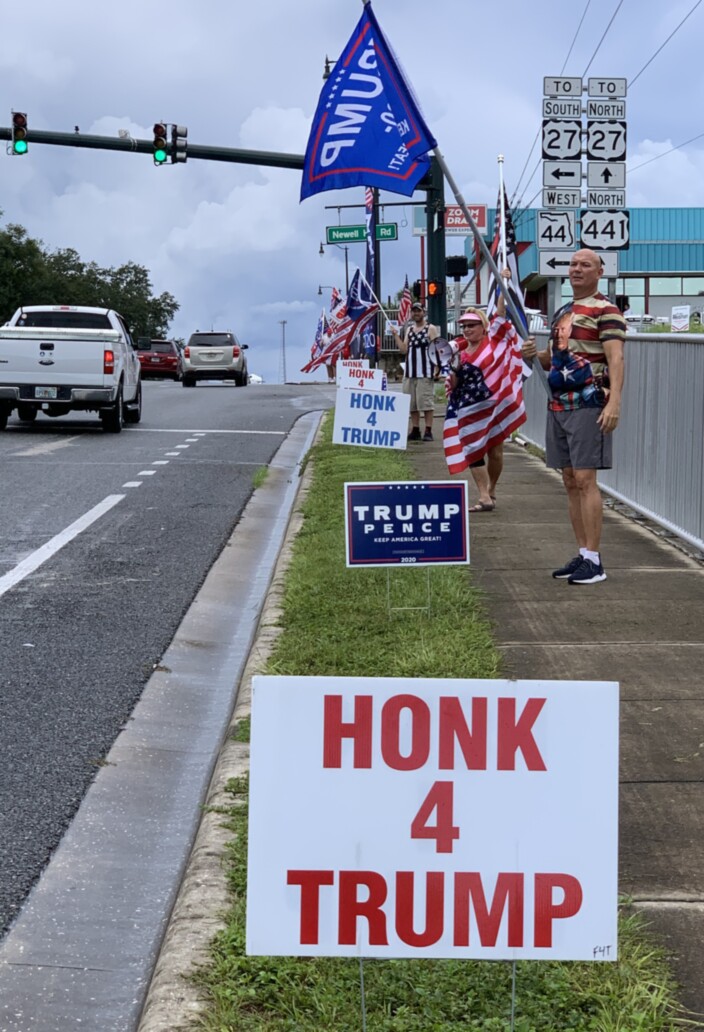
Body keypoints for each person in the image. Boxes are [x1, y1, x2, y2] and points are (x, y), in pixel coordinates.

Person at [522, 248, 626, 585]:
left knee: (585, 480)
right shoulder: (563, 312)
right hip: (559, 403)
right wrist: (533, 354)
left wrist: (614, 403)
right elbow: (555, 359)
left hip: (590, 403)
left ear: (599, 272)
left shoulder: (606, 311)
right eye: (573, 264)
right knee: (568, 480)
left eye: (586, 265)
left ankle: (595, 561)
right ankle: (583, 554)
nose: (577, 269)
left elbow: (616, 359)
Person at [446, 269, 531, 512]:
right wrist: (452, 369)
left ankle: (492, 488)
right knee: (472, 448)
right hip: (469, 408)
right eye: (464, 326)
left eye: (472, 325)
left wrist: (503, 281)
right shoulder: (459, 353)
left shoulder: (493, 341)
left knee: (495, 450)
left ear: (483, 327)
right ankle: (483, 495)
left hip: (495, 405)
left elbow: (501, 312)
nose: (467, 330)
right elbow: (452, 384)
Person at [389, 302, 439, 441]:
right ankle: (415, 428)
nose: (416, 313)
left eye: (418, 311)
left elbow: (436, 349)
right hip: (410, 372)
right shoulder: (409, 330)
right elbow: (404, 349)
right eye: (414, 311)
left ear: (424, 312)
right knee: (412, 403)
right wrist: (395, 336)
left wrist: (437, 368)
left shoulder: (430, 328)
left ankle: (428, 430)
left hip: (425, 371)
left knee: (426, 402)